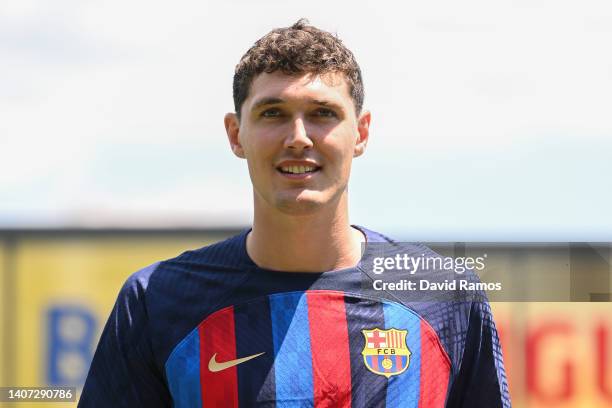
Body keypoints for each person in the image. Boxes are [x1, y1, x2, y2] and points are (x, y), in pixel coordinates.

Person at [79, 19, 511, 407]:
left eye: (323, 113)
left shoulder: (444, 297)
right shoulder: (155, 300)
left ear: (360, 133)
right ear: (236, 134)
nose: (299, 137)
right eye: (274, 113)